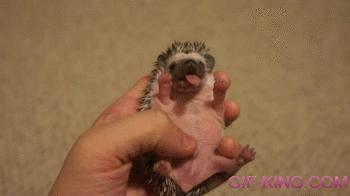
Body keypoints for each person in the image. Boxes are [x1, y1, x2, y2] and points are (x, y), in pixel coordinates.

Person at [49, 72, 242, 196]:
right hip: (170, 165)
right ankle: (170, 171)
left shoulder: (203, 95)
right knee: (211, 157)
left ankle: (229, 163)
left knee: (216, 158)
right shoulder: (163, 98)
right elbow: (163, 99)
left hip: (196, 159)